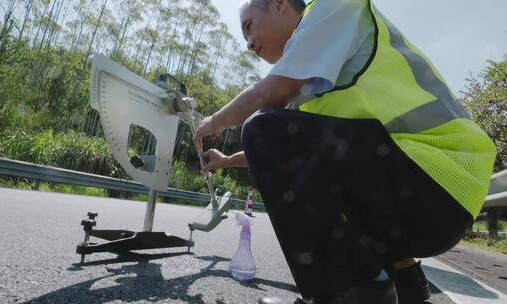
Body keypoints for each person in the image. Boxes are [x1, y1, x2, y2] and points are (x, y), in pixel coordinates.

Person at [193, 0, 497, 303]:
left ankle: (345, 292)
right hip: (431, 196)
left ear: (280, 4)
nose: (248, 44)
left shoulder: (335, 6)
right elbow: (286, 154)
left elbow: (266, 98)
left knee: (263, 127)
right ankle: (405, 279)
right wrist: (227, 161)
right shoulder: (307, 83)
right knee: (279, 140)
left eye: (249, 28)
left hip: (438, 177)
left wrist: (213, 121)